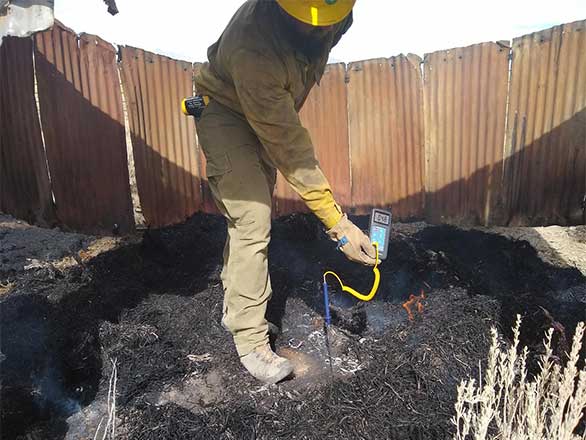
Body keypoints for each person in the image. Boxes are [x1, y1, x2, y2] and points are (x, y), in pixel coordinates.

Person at [194, 0, 376, 384]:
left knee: (252, 215)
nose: (318, 31)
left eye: (326, 24)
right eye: (307, 23)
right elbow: (292, 151)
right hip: (227, 113)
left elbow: (324, 25)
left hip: (268, 109)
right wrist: (338, 225)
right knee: (252, 217)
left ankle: (236, 302)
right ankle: (250, 339)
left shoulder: (335, 14)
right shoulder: (253, 48)